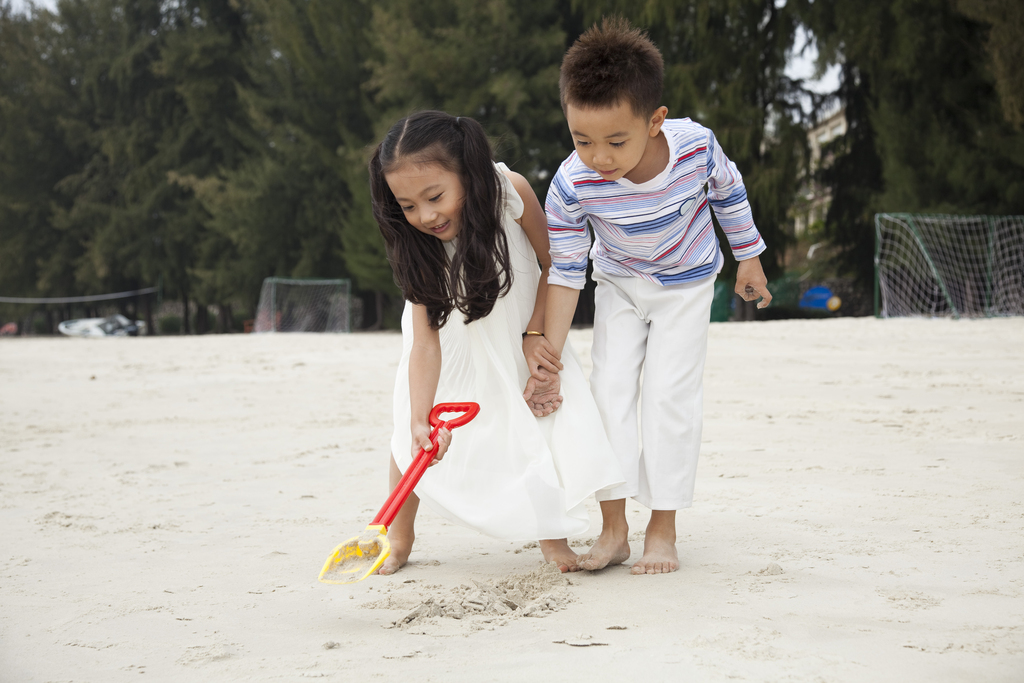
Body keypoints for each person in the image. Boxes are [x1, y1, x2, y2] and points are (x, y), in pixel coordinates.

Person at [539, 18, 773, 575]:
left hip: (688, 285)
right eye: (582, 139)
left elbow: (729, 190)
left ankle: (662, 528)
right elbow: (567, 272)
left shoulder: (695, 146)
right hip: (619, 284)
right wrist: (547, 355)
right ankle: (615, 528)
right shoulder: (572, 184)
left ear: (655, 120)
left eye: (616, 140)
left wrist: (749, 255)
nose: (599, 156)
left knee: (668, 397)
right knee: (608, 392)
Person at [368, 110, 624, 575]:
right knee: (414, 433)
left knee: (541, 420)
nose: (424, 216)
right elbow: (425, 344)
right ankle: (398, 535)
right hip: (449, 344)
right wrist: (418, 415)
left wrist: (535, 334)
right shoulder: (414, 239)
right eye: (407, 205)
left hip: (521, 329)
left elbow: (556, 265)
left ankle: (552, 536)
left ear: (467, 172)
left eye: (435, 197)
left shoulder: (511, 192)